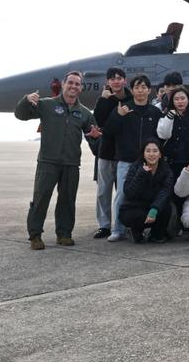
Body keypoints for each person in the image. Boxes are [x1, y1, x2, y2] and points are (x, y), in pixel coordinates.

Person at [16, 71, 100, 250]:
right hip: (48, 162)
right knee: (41, 199)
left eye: (77, 84)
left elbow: (93, 136)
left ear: (81, 88)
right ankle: (35, 236)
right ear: (63, 84)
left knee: (67, 201)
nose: (73, 86)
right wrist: (26, 100)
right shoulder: (47, 105)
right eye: (71, 82)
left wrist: (94, 137)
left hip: (71, 164)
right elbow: (21, 115)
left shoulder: (84, 113)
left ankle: (64, 234)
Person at [102, 75, 162, 242]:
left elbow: (161, 137)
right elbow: (108, 131)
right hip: (126, 161)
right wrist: (118, 116)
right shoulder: (123, 108)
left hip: (149, 161)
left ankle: (145, 228)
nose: (140, 90)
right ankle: (118, 230)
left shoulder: (155, 112)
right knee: (122, 194)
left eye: (144, 87)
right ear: (132, 89)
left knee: (148, 195)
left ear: (149, 90)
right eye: (137, 87)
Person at [156, 88, 189, 234]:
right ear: (172, 101)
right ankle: (173, 224)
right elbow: (163, 134)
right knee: (170, 193)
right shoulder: (167, 116)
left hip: (188, 163)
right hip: (170, 163)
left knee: (186, 194)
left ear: (188, 100)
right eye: (176, 99)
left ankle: (186, 224)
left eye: (183, 98)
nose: (180, 102)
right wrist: (170, 117)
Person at [91, 67, 130, 239]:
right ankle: (104, 226)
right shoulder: (103, 100)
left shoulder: (131, 99)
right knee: (103, 191)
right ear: (107, 82)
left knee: (124, 192)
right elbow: (98, 121)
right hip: (106, 152)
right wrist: (103, 100)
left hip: (125, 152)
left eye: (119, 78)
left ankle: (123, 225)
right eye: (112, 78)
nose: (116, 81)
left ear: (125, 80)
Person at [119, 139, 175, 243]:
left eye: (155, 151)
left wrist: (154, 209)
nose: (151, 154)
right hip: (135, 207)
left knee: (167, 208)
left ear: (160, 154)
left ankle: (156, 235)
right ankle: (136, 231)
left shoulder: (166, 170)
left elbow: (165, 192)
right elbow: (129, 193)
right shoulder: (135, 168)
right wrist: (141, 174)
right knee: (138, 216)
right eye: (148, 151)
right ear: (143, 154)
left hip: (153, 206)